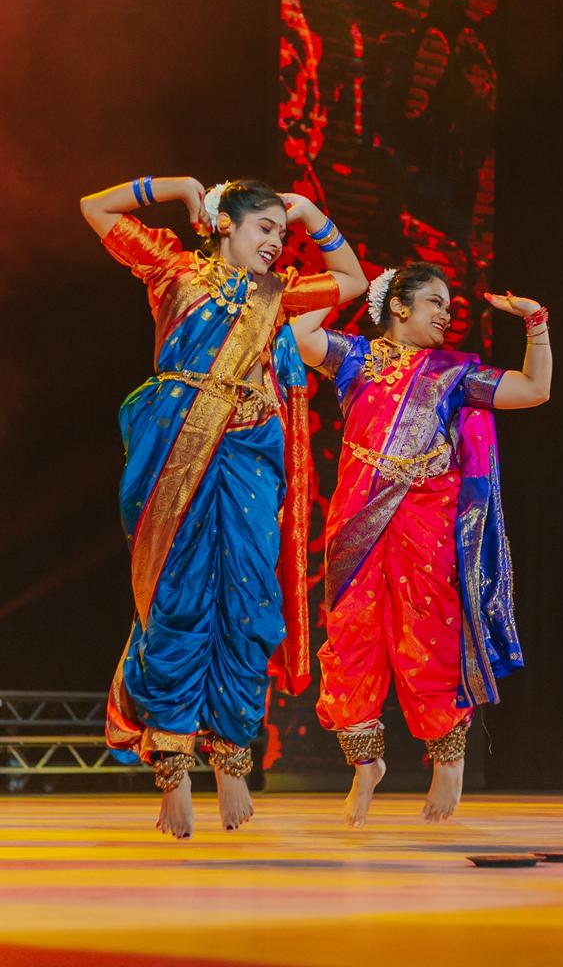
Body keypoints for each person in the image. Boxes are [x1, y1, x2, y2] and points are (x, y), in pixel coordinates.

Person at [80, 175, 367, 838]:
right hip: (175, 448)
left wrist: (312, 213)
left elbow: (352, 279)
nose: (276, 243)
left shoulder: (279, 294)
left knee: (249, 601)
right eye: (265, 228)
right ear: (225, 224)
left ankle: (232, 757)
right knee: (177, 600)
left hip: (249, 456)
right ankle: (174, 769)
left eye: (282, 234)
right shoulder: (173, 269)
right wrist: (177, 187)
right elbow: (94, 207)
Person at [292, 264, 552, 827]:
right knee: (352, 633)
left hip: (427, 518)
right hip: (359, 516)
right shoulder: (355, 358)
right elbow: (299, 333)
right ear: (398, 305)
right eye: (435, 302)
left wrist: (536, 322)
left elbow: (535, 390)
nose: (446, 314)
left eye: (449, 306)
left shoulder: (454, 373)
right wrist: (340, 267)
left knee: (427, 630)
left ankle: (449, 761)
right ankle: (366, 764)